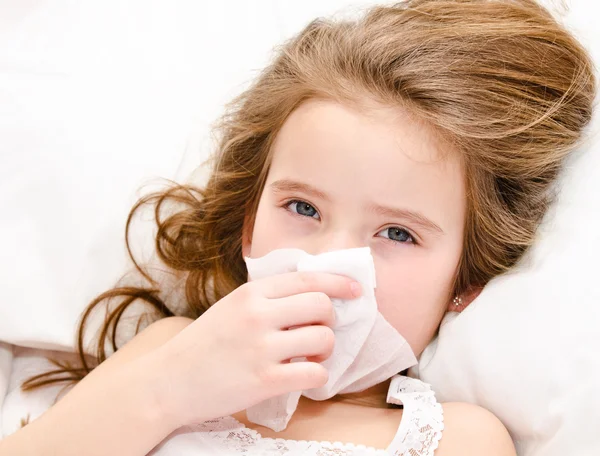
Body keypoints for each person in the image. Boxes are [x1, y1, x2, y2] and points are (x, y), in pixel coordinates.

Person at [0, 0, 595, 454]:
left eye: (397, 234)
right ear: (247, 228)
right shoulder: (167, 354)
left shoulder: (455, 438)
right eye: (304, 209)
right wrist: (168, 388)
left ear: (464, 282)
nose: (330, 262)